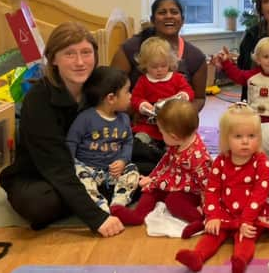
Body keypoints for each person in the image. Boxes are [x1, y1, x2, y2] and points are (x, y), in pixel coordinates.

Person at [0, 22, 124, 237]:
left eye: (86, 53)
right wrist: (97, 218)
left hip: (90, 168)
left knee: (146, 169)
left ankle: (91, 192)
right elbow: (56, 167)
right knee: (39, 205)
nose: (80, 62)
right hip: (41, 174)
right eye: (69, 54)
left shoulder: (97, 89)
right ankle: (92, 195)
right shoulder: (38, 100)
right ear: (54, 59)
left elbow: (120, 134)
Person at [175, 102, 269, 273]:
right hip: (225, 211)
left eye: (251, 136)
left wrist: (246, 220)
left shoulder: (260, 160)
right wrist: (213, 215)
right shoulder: (221, 161)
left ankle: (240, 259)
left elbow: (260, 193)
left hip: (253, 213)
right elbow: (212, 190)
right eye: (238, 137)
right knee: (213, 234)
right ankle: (197, 256)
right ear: (225, 139)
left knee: (245, 236)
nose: (245, 142)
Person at [110, 99, 211, 239]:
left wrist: (208, 210)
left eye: (162, 133)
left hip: (190, 191)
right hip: (173, 182)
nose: (161, 136)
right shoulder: (178, 143)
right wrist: (152, 178)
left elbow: (207, 185)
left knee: (173, 201)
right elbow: (165, 163)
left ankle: (199, 220)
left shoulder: (197, 157)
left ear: (174, 136)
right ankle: (138, 215)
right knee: (152, 190)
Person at [111, 0, 207, 112]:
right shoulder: (131, 48)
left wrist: (180, 116)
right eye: (162, 12)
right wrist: (140, 110)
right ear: (153, 20)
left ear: (182, 20)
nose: (168, 16)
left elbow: (199, 98)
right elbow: (112, 88)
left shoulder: (195, 57)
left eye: (174, 12)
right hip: (138, 120)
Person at [66, 66, 139, 212]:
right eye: (127, 91)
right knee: (81, 178)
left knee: (133, 172)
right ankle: (99, 206)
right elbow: (71, 142)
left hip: (113, 170)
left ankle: (118, 204)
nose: (130, 95)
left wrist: (123, 161)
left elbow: (128, 142)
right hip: (88, 167)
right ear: (111, 98)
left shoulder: (124, 119)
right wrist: (70, 164)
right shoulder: (86, 118)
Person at [130, 36, 195, 174]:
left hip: (171, 126)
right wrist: (143, 105)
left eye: (163, 66)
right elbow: (135, 98)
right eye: (154, 67)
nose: (159, 70)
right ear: (145, 65)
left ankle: (170, 157)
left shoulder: (176, 78)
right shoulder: (143, 81)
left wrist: (183, 96)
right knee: (138, 141)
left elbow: (188, 91)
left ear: (170, 63)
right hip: (148, 125)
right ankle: (153, 155)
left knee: (181, 142)